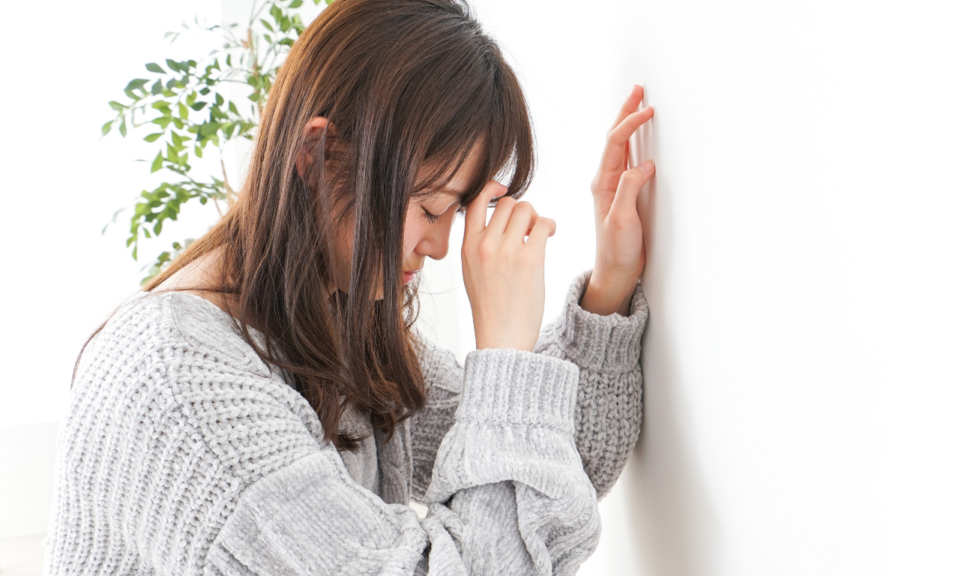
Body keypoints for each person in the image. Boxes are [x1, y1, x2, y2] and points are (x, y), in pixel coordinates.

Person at [45, 0, 656, 573]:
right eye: (430, 207)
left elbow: (553, 469)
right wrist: (505, 354)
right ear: (317, 155)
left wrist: (609, 284)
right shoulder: (182, 387)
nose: (441, 247)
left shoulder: (331, 325)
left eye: (457, 212)